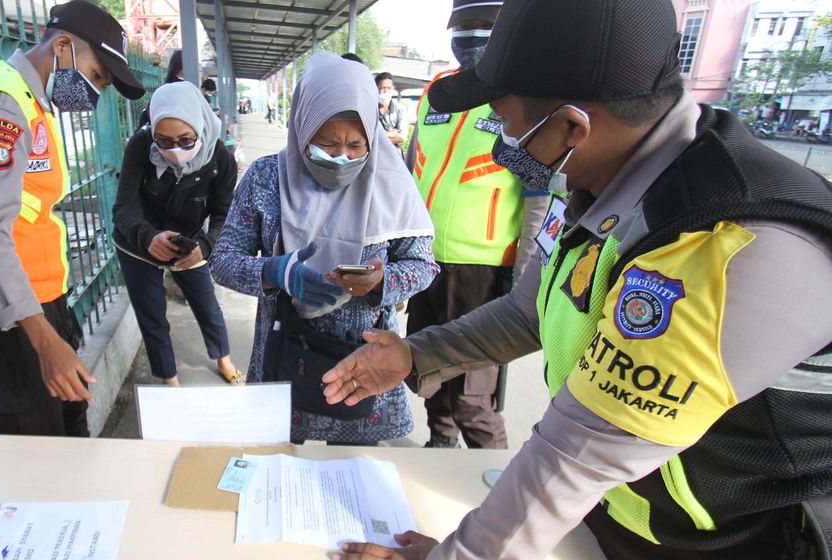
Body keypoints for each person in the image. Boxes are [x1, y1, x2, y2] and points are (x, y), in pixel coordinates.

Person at [324, 0, 832, 558]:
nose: (500, 140)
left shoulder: (721, 240)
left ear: (570, 124)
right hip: (622, 516)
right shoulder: (610, 184)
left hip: (739, 542)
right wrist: (417, 354)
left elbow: (578, 454)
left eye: (504, 120)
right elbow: (533, 310)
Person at [210, 52, 438, 445]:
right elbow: (223, 260)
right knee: (279, 471)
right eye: (327, 143)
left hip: (361, 372)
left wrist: (383, 282)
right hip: (286, 359)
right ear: (301, 129)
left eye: (355, 144)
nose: (342, 157)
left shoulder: (390, 181)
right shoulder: (267, 178)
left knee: (350, 484)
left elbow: (423, 264)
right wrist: (275, 273)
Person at [0, 0, 144, 436]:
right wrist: (42, 338)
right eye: (96, 76)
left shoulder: (32, 103)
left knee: (69, 416)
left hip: (39, 297)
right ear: (64, 46)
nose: (95, 90)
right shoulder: (1, 103)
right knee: (37, 435)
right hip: (11, 310)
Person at [404, 0, 546, 450]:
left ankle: (492, 473)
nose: (471, 36)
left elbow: (540, 198)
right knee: (428, 374)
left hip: (484, 272)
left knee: (473, 398)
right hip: (425, 262)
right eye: (463, 26)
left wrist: (523, 278)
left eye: (485, 26)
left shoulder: (526, 97)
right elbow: (412, 170)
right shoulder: (438, 91)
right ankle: (440, 446)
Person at [112, 82, 243, 386]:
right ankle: (169, 380)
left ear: (200, 127)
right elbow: (123, 208)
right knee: (152, 314)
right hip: (139, 242)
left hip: (190, 243)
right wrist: (147, 237)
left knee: (206, 304)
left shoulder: (221, 159)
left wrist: (205, 246)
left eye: (186, 140)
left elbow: (225, 216)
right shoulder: (140, 146)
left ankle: (224, 358)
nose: (175, 151)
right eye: (164, 141)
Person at [375, 72, 408, 156]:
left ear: (393, 88)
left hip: (394, 155)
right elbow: (369, 137)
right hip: (375, 155)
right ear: (376, 88)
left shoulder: (400, 109)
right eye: (382, 88)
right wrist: (390, 133)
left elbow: (402, 137)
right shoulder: (371, 108)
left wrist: (379, 137)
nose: (386, 91)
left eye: (389, 88)